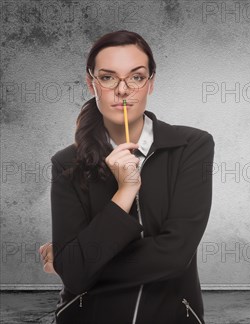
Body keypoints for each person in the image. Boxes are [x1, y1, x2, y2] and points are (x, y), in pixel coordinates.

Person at [38, 30, 214, 324]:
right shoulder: (66, 163)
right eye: (108, 77)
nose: (123, 90)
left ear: (151, 83)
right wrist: (125, 191)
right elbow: (75, 273)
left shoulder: (192, 146)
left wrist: (74, 263)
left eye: (136, 77)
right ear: (91, 82)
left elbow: (174, 255)